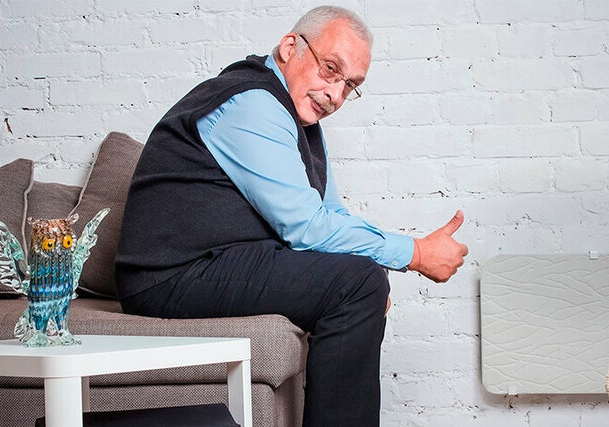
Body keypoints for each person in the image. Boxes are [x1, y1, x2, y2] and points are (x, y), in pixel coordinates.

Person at [115, 5, 467, 426]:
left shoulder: (298, 119)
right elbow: (307, 227)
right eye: (331, 69)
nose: (335, 94)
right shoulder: (252, 104)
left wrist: (373, 264)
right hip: (169, 274)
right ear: (289, 48)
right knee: (357, 283)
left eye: (350, 86)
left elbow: (330, 213)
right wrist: (415, 253)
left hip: (216, 261)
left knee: (362, 277)